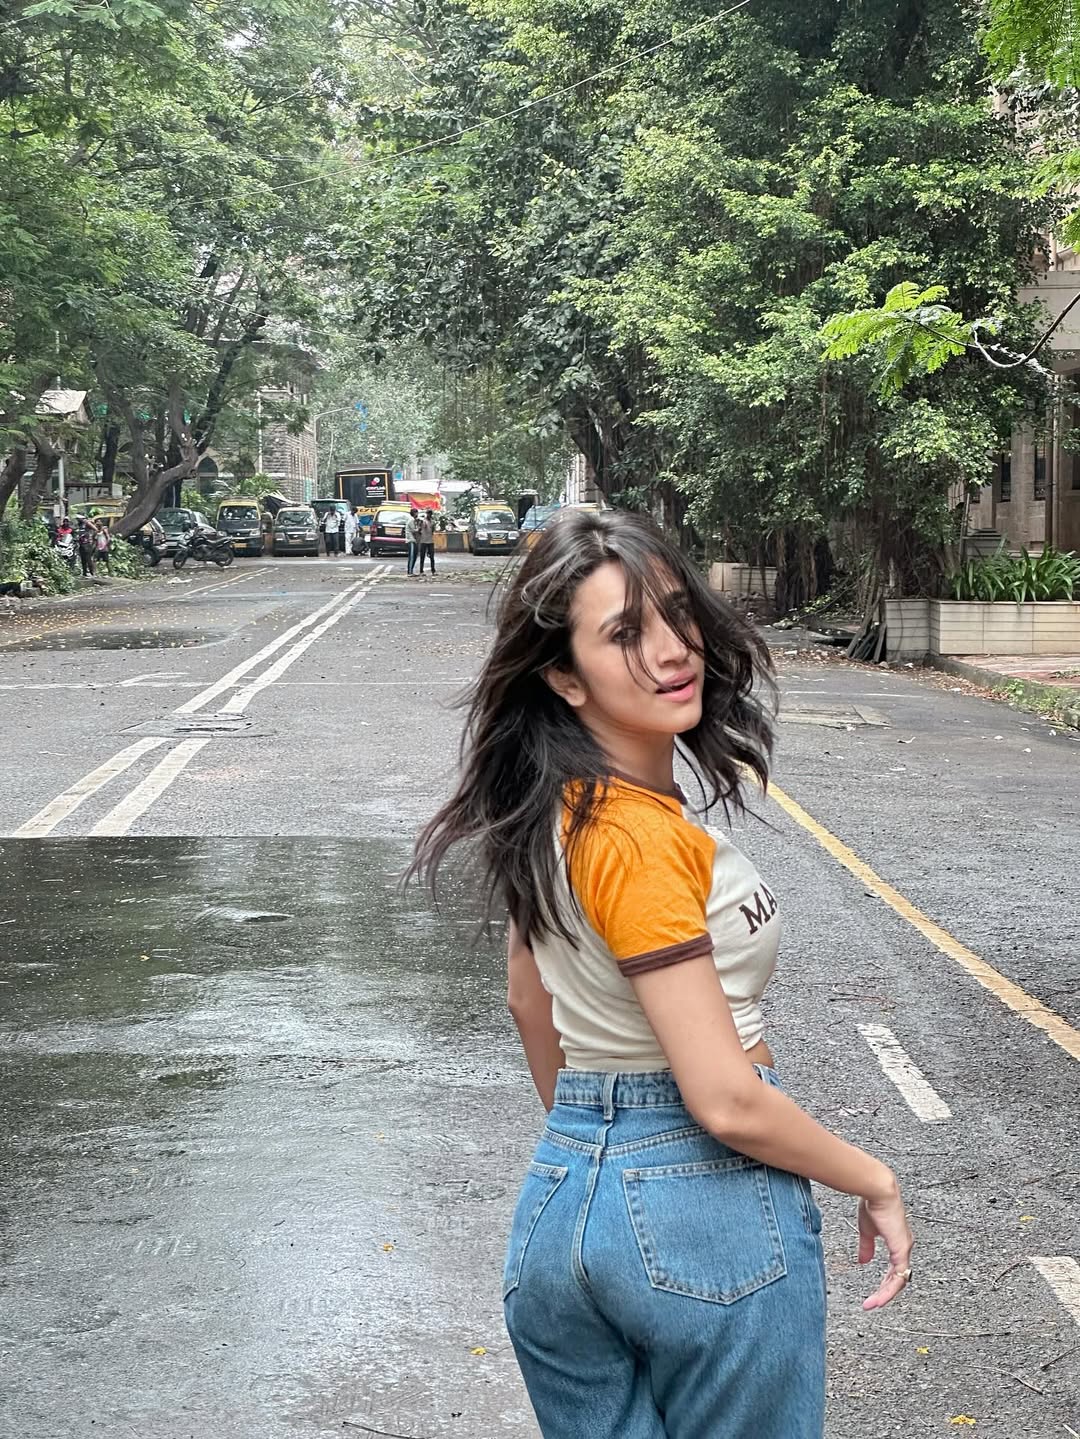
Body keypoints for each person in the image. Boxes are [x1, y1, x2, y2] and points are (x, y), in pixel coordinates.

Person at [410, 510, 912, 1439]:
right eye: (623, 634)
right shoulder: (637, 838)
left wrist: (603, 1150)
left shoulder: (549, 808)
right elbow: (725, 1100)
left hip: (559, 1211)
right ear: (564, 677)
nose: (672, 650)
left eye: (677, 614)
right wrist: (871, 1177)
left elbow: (528, 1002)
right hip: (703, 1215)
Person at [417, 508, 435, 576]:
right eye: (428, 514)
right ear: (426, 514)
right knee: (422, 557)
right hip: (423, 541)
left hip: (430, 541)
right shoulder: (423, 521)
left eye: (430, 514)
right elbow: (419, 529)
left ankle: (433, 570)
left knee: (432, 557)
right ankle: (421, 570)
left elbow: (432, 530)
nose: (429, 515)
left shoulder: (432, 522)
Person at [405, 508, 421, 576]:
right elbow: (414, 530)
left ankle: (411, 570)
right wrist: (419, 528)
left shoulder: (414, 520)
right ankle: (409, 572)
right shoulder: (411, 520)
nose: (417, 514)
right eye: (416, 513)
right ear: (414, 513)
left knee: (414, 556)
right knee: (411, 556)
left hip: (414, 540)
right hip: (410, 540)